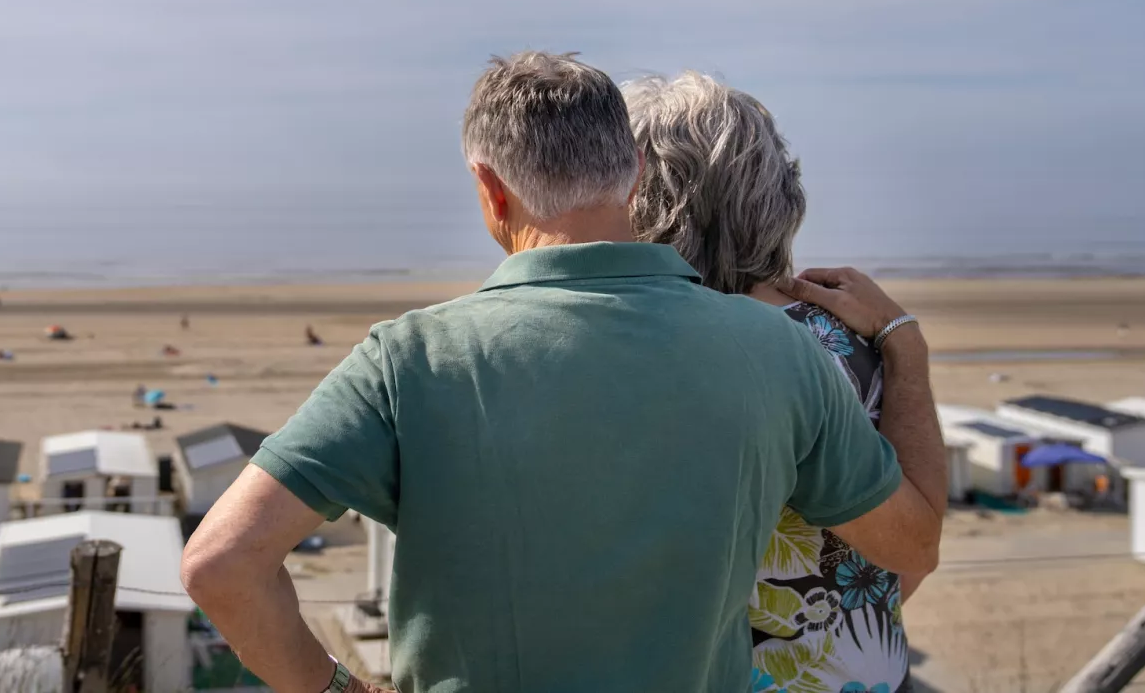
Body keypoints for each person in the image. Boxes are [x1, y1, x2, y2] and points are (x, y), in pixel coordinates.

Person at [182, 52, 942, 693]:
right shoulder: (780, 349)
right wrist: (904, 346)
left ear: (490, 188)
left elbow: (222, 563)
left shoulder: (408, 358)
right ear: (632, 174)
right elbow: (909, 549)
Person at [623, 70, 948, 693]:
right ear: (778, 195)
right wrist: (904, 345)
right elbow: (909, 557)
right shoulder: (837, 346)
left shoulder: (616, 345)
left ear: (633, 194)